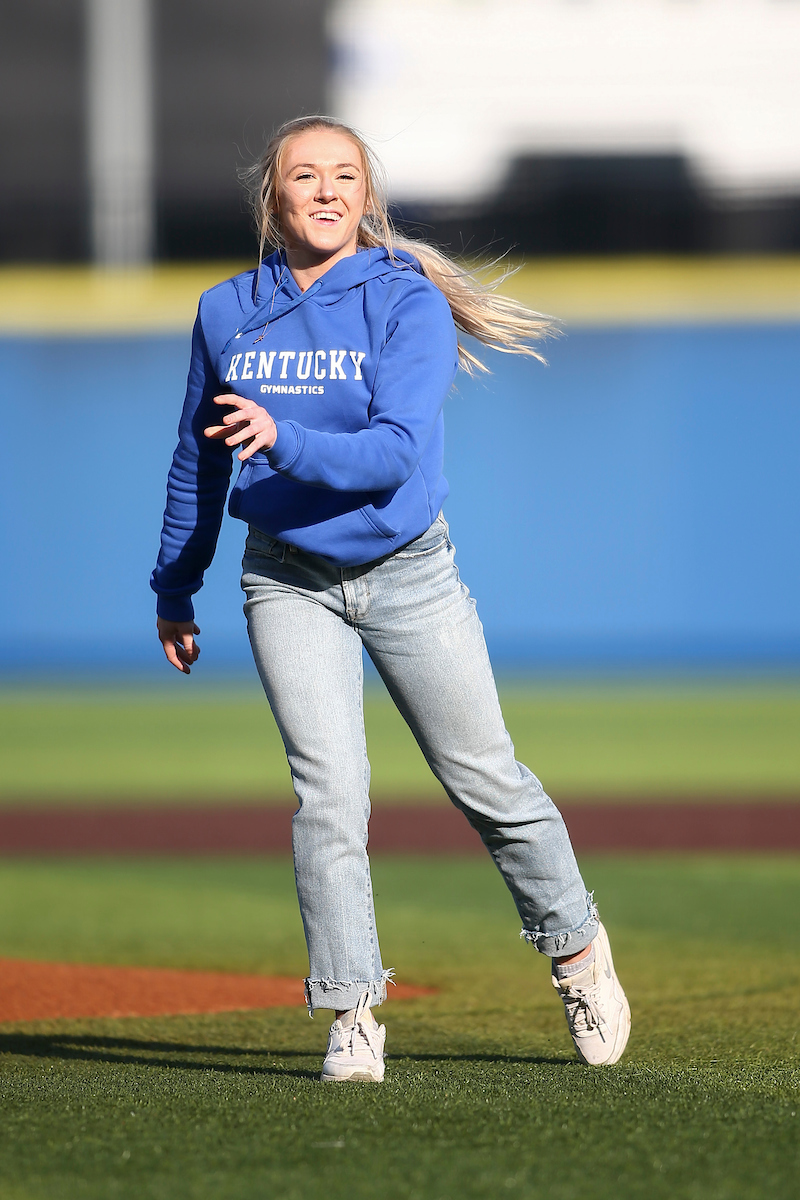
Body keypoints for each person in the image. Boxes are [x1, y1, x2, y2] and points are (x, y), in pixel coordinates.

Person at [151, 116, 631, 1081]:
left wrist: (283, 439)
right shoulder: (225, 311)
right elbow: (196, 458)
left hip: (408, 572)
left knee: (487, 779)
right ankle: (352, 1011)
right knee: (327, 794)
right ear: (272, 200)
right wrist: (175, 580)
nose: (325, 191)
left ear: (365, 198)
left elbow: (394, 453)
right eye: (304, 176)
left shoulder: (402, 300)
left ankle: (577, 949)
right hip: (286, 575)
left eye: (344, 176)